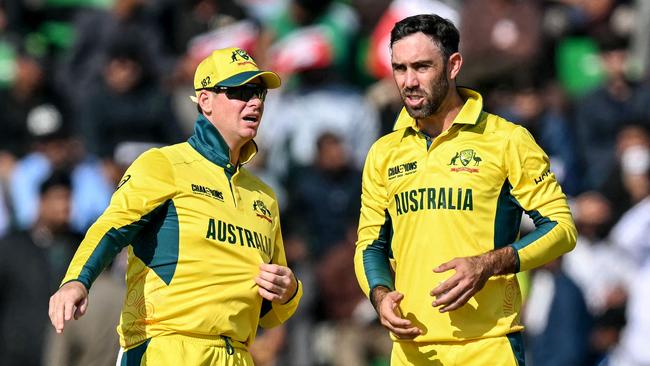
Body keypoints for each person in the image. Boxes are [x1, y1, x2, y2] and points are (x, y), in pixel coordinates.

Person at [48, 47, 302, 365]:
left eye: (259, 92)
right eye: (241, 91)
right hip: (167, 348)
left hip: (237, 354)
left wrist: (290, 291)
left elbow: (271, 311)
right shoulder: (163, 164)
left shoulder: (264, 195)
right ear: (205, 101)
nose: (255, 102)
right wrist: (76, 280)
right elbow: (111, 228)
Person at [353, 14, 577, 365]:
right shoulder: (384, 152)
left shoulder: (507, 140)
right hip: (412, 352)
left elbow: (562, 228)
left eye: (422, 67)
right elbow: (370, 245)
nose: (409, 81)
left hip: (489, 347)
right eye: (400, 69)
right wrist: (380, 296)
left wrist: (487, 264)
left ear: (453, 64)